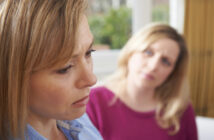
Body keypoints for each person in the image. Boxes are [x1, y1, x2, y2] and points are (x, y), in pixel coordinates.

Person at [0, 0, 103, 140]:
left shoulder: (78, 121)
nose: (91, 79)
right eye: (65, 68)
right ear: (12, 75)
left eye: (89, 52)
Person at [87, 23, 198, 140]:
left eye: (165, 61)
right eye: (148, 52)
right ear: (131, 52)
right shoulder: (92, 102)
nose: (153, 66)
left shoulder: (180, 108)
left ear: (173, 73)